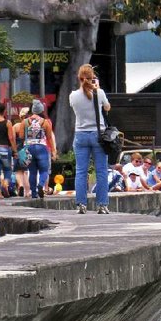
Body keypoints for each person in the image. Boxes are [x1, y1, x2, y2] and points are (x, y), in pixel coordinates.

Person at [69, 63, 110, 214]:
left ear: (79, 78)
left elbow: (75, 107)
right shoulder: (99, 93)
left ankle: (81, 204)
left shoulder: (73, 95)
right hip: (98, 135)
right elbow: (107, 108)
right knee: (101, 171)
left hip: (80, 134)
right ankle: (102, 205)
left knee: (81, 171)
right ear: (93, 77)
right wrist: (97, 88)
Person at [19, 99, 57, 198]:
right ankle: (40, 185)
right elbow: (49, 138)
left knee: (32, 172)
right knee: (44, 171)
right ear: (41, 110)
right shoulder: (45, 122)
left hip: (29, 148)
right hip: (42, 148)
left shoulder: (25, 122)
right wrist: (53, 151)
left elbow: (21, 136)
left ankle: (34, 193)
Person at [12, 107, 31, 197]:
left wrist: (13, 151)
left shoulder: (16, 126)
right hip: (27, 150)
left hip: (18, 150)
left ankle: (21, 185)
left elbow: (11, 139)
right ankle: (27, 192)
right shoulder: (31, 126)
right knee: (26, 172)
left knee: (19, 172)